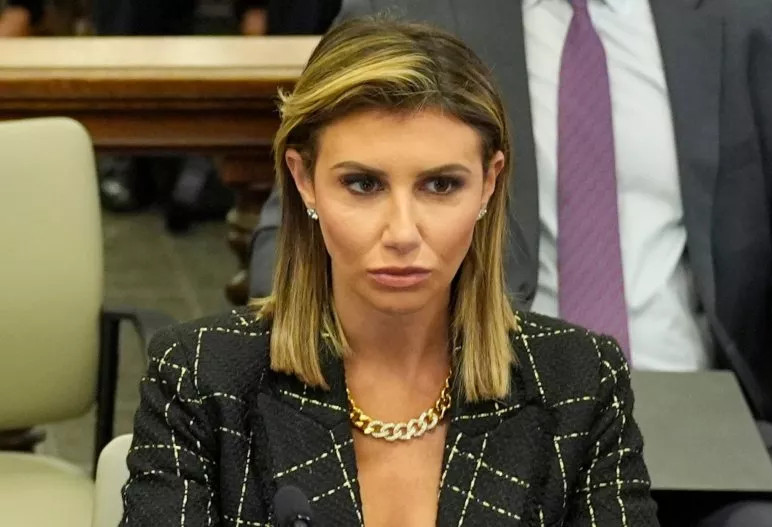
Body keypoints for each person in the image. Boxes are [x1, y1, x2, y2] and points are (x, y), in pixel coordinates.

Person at [247, 2, 772, 524]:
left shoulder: (755, 19)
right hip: (483, 397)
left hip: (706, 417)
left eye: (441, 186)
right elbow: (295, 233)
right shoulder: (403, 7)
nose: (402, 229)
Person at [121, 17, 658, 526]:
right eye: (363, 185)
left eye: (440, 185)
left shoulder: (580, 381)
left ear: (489, 184)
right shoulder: (199, 377)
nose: (402, 232)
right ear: (304, 181)